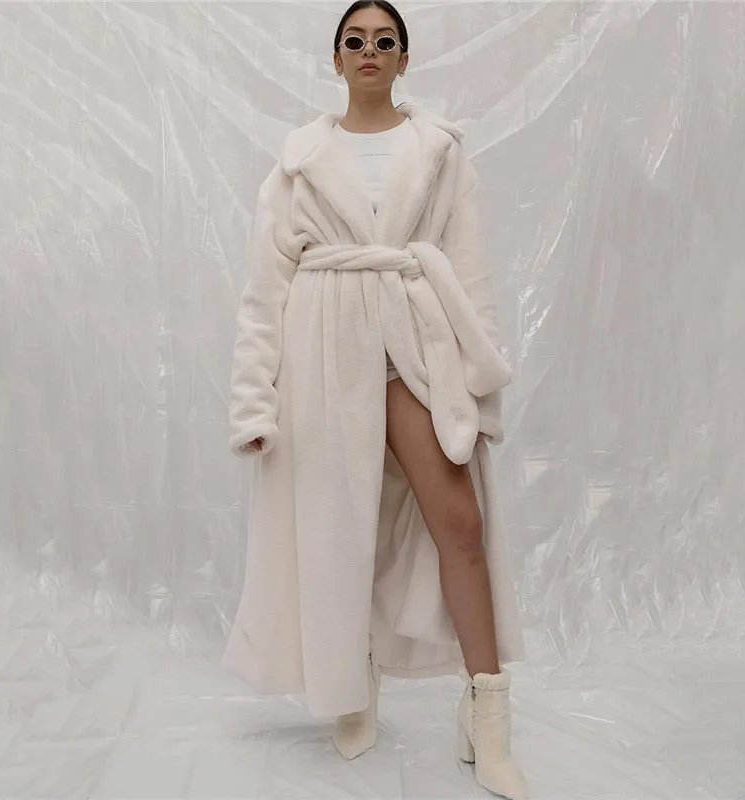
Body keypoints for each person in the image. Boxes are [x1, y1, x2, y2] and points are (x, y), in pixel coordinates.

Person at [223, 2, 528, 797]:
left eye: (384, 41)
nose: (369, 51)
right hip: (322, 349)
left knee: (460, 523)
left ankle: (488, 714)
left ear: (403, 59)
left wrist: (479, 385)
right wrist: (254, 403)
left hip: (414, 342)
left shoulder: (439, 152)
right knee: (340, 530)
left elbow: (470, 269)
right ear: (335, 60)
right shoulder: (298, 161)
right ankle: (351, 684)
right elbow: (264, 291)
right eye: (354, 41)